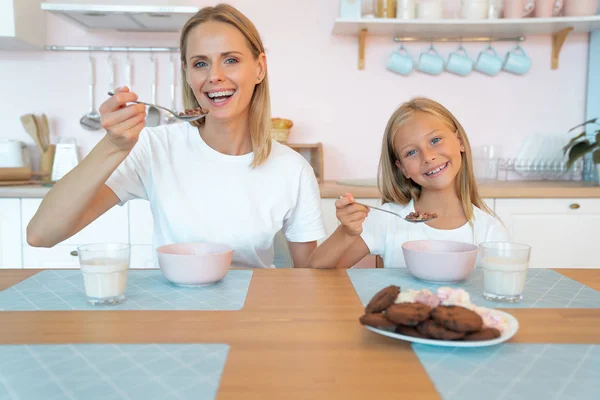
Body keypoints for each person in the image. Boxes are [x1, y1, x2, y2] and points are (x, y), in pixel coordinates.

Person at [27, 4, 325, 268]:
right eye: (200, 63)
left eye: (231, 60)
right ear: (187, 73)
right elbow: (42, 234)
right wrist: (113, 145)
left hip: (254, 312)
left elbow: (309, 275)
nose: (214, 76)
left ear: (259, 68)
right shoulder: (153, 148)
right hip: (175, 311)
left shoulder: (292, 168)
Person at [307, 97, 509, 269]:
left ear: (460, 142)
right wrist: (346, 231)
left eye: (435, 140)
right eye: (411, 152)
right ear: (402, 168)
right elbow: (314, 270)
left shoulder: (489, 230)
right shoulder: (387, 220)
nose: (428, 157)